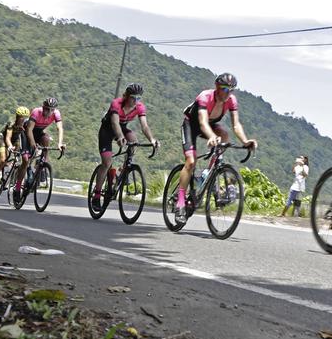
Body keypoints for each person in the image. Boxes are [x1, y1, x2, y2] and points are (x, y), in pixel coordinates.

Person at [174, 73, 257, 225]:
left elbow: (236, 125)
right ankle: (179, 202)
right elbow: (203, 122)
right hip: (191, 125)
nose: (227, 93)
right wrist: (211, 136)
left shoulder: (231, 100)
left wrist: (245, 141)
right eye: (224, 89)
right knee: (191, 162)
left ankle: (209, 172)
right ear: (217, 87)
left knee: (224, 136)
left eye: (231, 90)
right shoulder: (205, 97)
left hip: (210, 126)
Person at [94, 84, 159, 208]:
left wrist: (152, 139)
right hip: (107, 130)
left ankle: (122, 171)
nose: (136, 101)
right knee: (107, 163)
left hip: (122, 128)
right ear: (127, 96)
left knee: (134, 141)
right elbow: (114, 123)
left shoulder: (139, 107)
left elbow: (144, 126)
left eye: (139, 98)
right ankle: (96, 195)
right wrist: (119, 137)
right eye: (133, 97)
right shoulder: (116, 104)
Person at [20, 98, 64, 199]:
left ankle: (41, 166)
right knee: (26, 159)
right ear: (43, 107)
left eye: (51, 110)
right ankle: (19, 185)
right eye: (47, 109)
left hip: (39, 132)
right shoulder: (36, 112)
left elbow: (60, 128)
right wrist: (32, 143)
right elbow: (29, 130)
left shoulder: (56, 113)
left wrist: (60, 143)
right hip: (27, 132)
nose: (49, 112)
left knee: (46, 139)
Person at [0, 107, 30, 184]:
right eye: (21, 117)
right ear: (17, 117)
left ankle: (7, 177)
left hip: (15, 139)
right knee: (3, 160)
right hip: (3, 139)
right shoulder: (11, 123)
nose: (23, 119)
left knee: (18, 159)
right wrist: (10, 146)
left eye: (25, 117)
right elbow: (8, 137)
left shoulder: (26, 124)